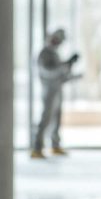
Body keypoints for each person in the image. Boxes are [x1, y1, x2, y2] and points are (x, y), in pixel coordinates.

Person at [31, 28, 80, 159]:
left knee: (56, 119)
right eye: (57, 40)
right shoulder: (44, 54)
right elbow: (49, 71)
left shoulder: (54, 54)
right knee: (45, 119)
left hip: (57, 90)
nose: (58, 43)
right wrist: (64, 66)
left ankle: (55, 145)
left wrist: (70, 67)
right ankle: (37, 148)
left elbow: (61, 75)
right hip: (49, 91)